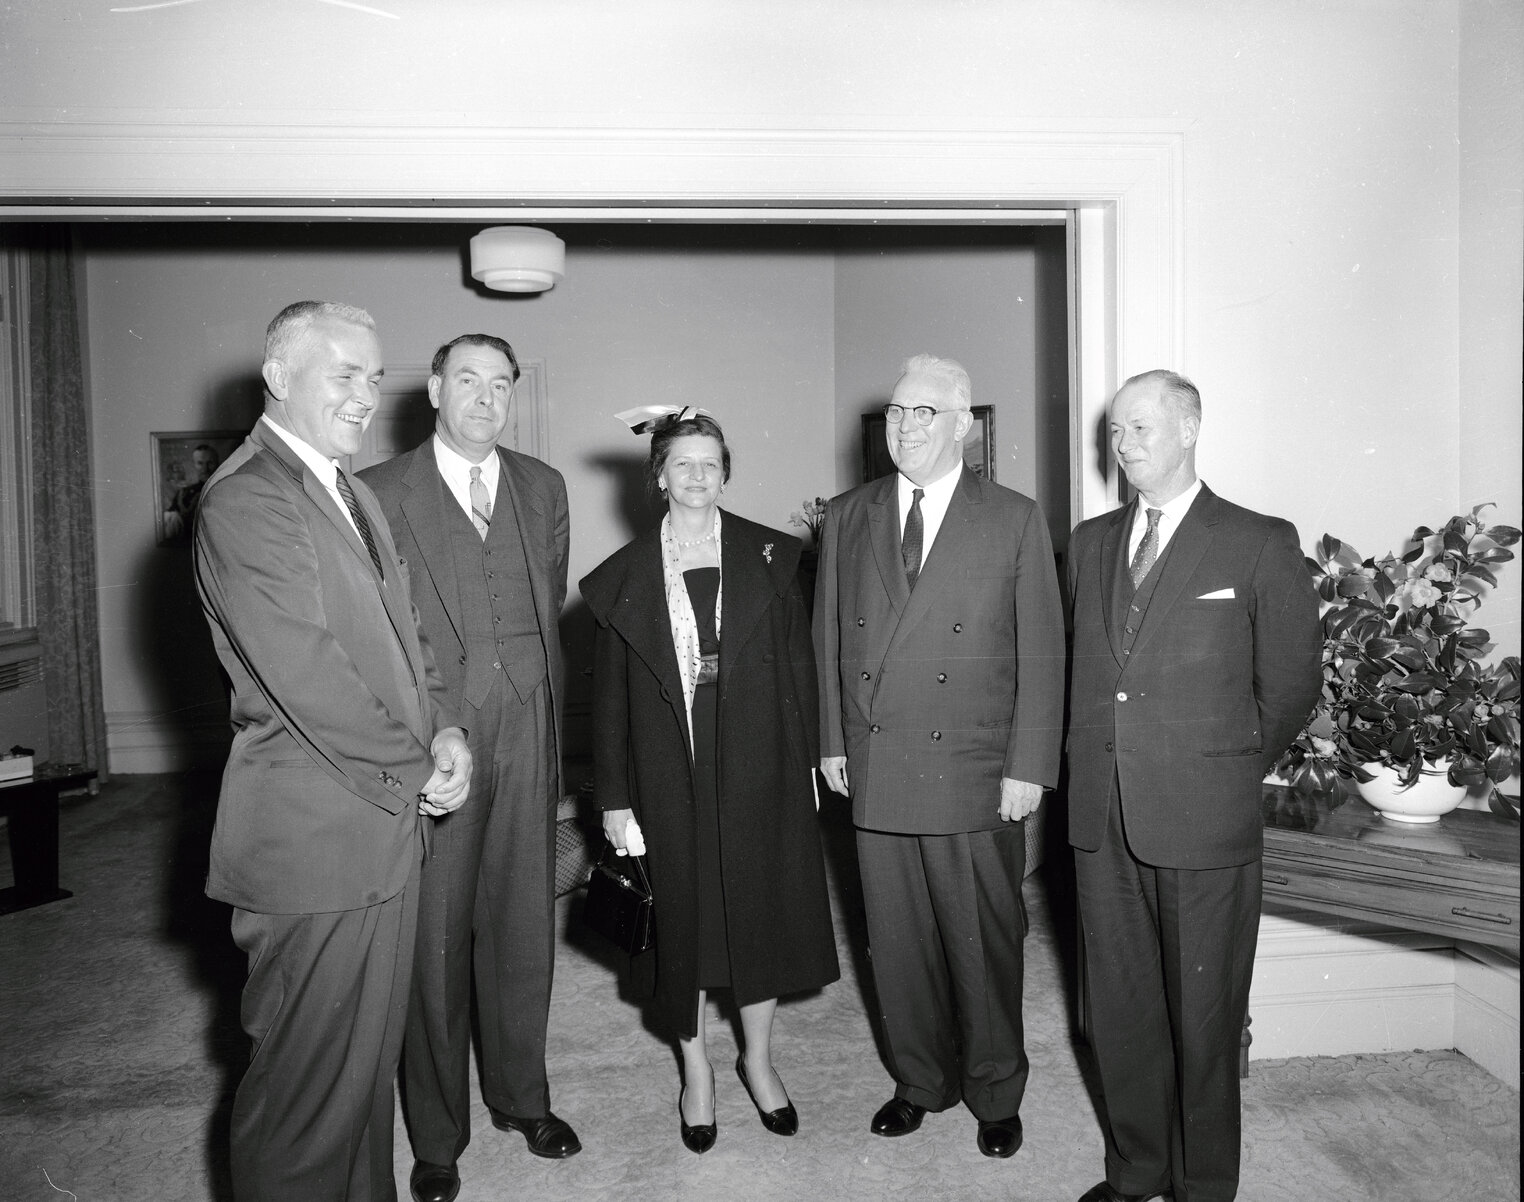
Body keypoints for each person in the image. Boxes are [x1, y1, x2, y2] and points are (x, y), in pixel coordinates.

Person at [193, 300, 473, 1202]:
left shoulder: (348, 489)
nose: (365, 394)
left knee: (358, 1095)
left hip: (380, 834)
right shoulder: (249, 497)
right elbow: (308, 677)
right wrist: (420, 764)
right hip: (316, 851)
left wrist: (447, 727)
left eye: (372, 374)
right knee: (304, 1109)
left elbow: (409, 638)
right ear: (280, 377)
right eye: (343, 373)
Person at [1066, 369, 1321, 1202]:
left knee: (1206, 1023)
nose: (1125, 445)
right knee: (1120, 1011)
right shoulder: (1091, 541)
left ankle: (1205, 1186)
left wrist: (1220, 769)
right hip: (1105, 820)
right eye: (1116, 431)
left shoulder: (1256, 540)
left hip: (1205, 822)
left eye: (1141, 427)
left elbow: (1289, 689)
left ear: (1189, 428)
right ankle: (1136, 1171)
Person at [814, 354, 1065, 1160]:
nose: (906, 426)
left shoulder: (1013, 517)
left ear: (963, 425)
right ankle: (921, 1081)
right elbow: (824, 639)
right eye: (896, 413)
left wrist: (1030, 765)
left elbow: (1044, 652)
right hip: (879, 762)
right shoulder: (849, 514)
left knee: (983, 938)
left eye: (925, 413)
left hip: (975, 768)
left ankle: (996, 1089)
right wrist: (829, 740)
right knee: (895, 939)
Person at [579, 409, 839, 1155]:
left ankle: (758, 1059)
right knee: (684, 927)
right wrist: (616, 802)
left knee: (756, 916)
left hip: (760, 764)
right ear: (657, 476)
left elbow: (800, 670)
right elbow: (611, 705)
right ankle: (696, 1071)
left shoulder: (773, 556)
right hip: (668, 771)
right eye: (682, 463)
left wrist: (813, 762)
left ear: (726, 472)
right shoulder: (619, 579)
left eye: (710, 462)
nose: (697, 475)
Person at [359, 334, 576, 1202]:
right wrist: (435, 726)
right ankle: (438, 1139)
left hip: (529, 721)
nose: (486, 398)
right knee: (437, 940)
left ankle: (524, 1098)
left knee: (524, 924)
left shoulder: (543, 485)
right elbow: (381, 634)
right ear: (437, 390)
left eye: (501, 385)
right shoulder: (378, 492)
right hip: (439, 733)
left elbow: (547, 597)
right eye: (469, 382)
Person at [161, 442, 220, 542]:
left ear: (218, 463)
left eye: (210, 463)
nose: (205, 469)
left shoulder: (226, 491)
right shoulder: (183, 494)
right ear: (194, 465)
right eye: (200, 463)